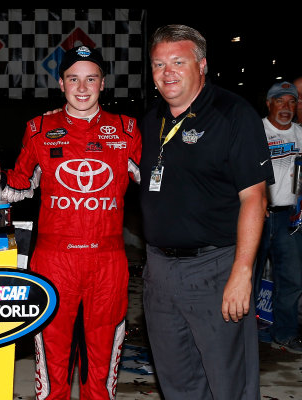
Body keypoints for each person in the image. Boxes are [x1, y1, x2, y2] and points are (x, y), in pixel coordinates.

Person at [0, 45, 141, 400]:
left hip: (108, 261)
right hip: (54, 260)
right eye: (73, 79)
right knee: (52, 364)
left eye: (91, 79)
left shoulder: (127, 130)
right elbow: (16, 189)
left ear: (103, 83)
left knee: (101, 371)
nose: (82, 88)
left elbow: (164, 183)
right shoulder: (39, 128)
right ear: (61, 84)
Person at [139, 25, 274, 400]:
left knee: (228, 384)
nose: (167, 72)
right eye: (158, 64)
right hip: (160, 273)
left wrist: (242, 274)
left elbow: (255, 199)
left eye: (178, 62)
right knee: (177, 382)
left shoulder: (233, 114)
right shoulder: (152, 121)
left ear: (202, 65)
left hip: (215, 270)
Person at [253, 81, 302, 352]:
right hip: (257, 216)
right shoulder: (255, 131)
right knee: (250, 277)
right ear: (269, 104)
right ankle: (244, 334)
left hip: (290, 220)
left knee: (292, 279)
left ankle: (284, 334)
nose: (286, 107)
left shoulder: (301, 134)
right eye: (280, 101)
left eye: (291, 102)